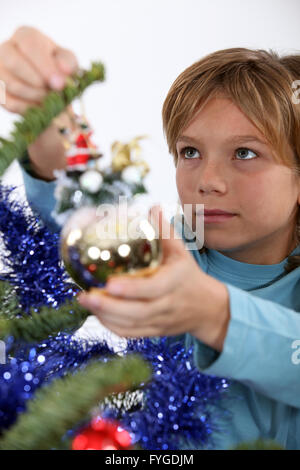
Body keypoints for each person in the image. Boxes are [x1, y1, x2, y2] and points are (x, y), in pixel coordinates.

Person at [0, 26, 300, 450]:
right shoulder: (178, 241)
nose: (208, 181)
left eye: (245, 153)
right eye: (190, 152)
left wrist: (213, 313)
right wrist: (51, 111)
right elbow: (83, 218)